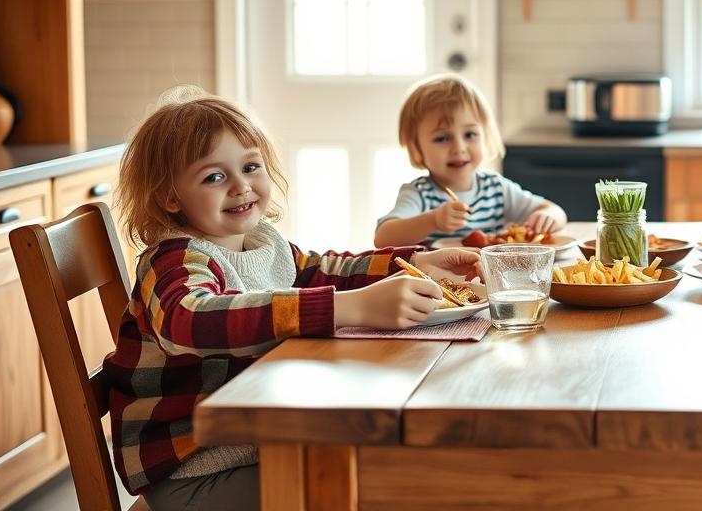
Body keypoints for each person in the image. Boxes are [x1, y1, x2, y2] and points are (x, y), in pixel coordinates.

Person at [106, 87, 480, 510]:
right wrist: (347, 308)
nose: (241, 186)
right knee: (375, 486)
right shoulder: (174, 259)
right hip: (192, 469)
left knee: (380, 463)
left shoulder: (259, 241)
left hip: (251, 442)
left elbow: (323, 268)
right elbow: (188, 320)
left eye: (251, 166)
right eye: (214, 176)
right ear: (170, 197)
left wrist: (413, 263)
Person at [374, 73, 566, 247]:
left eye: (470, 134)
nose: (459, 148)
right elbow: (383, 238)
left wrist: (547, 217)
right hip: (437, 283)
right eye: (442, 138)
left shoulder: (496, 189)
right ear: (417, 149)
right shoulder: (420, 194)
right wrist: (432, 221)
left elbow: (554, 210)